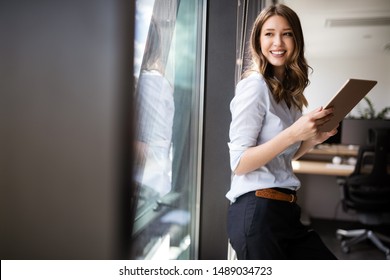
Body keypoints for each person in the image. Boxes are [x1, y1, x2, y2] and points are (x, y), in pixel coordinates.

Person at [226, 4, 338, 260]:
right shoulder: (254, 87)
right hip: (258, 212)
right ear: (258, 40)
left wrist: (313, 139)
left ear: (296, 40)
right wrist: (293, 133)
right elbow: (239, 163)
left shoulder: (288, 95)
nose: (278, 42)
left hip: (284, 211)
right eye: (269, 34)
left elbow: (282, 157)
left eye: (286, 34)